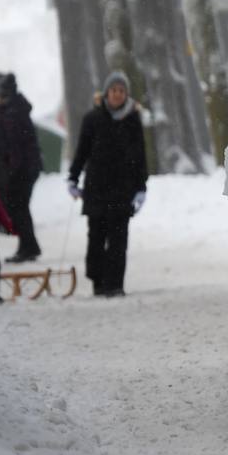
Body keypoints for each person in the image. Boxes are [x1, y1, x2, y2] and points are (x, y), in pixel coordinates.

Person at [67, 72, 148, 297]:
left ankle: (115, 284)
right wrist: (73, 178)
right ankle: (98, 281)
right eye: (114, 90)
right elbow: (81, 152)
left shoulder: (133, 121)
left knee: (118, 240)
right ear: (106, 93)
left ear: (126, 94)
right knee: (96, 239)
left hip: (123, 191)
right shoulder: (92, 119)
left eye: (122, 91)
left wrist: (141, 187)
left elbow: (140, 157)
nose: (118, 94)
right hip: (96, 189)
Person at [0, 72, 45, 263]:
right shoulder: (12, 110)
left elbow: (13, 147)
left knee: (17, 207)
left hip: (22, 170)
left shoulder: (10, 113)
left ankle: (29, 246)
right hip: (24, 168)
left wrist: (10, 174)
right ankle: (28, 246)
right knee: (19, 207)